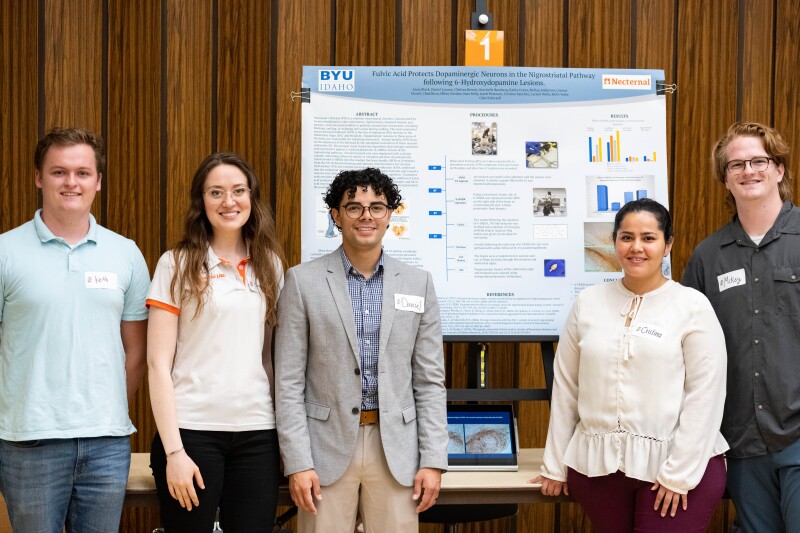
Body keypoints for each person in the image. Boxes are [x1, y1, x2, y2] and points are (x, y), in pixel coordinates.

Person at [533, 198, 729, 532]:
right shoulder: (588, 303)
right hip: (598, 470)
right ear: (614, 243)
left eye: (648, 238)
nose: (636, 247)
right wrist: (554, 465)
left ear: (667, 245)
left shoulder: (692, 306)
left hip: (677, 469)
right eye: (626, 237)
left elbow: (706, 395)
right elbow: (567, 387)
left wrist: (678, 475)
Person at [275, 168, 448, 533]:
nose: (366, 216)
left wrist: (433, 460)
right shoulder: (302, 282)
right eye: (353, 207)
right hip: (325, 449)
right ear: (336, 216)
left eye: (377, 207)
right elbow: (288, 382)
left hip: (396, 451)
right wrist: (297, 462)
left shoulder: (419, 284)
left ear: (390, 214)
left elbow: (430, 382)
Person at [0, 127, 150, 532]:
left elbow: (137, 351)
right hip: (29, 441)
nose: (71, 183)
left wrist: (105, 406)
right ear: (38, 178)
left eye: (83, 173)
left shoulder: (126, 254)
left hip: (107, 442)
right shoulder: (5, 253)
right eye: (59, 172)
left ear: (98, 181)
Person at [147, 152, 285, 532]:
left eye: (239, 191)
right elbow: (157, 364)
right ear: (201, 201)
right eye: (216, 192)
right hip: (192, 433)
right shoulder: (176, 264)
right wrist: (174, 452)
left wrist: (283, 437)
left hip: (258, 435)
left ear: (252, 198)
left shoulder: (270, 265)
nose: (229, 202)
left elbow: (270, 360)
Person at [681, 121, 800, 532]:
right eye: (736, 165)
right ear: (726, 180)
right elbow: (687, 347)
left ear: (779, 170)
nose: (748, 171)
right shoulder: (707, 256)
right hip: (742, 439)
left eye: (759, 161)